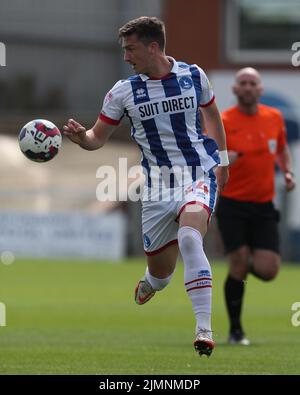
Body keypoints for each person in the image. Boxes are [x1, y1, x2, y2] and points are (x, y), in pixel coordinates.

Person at [63, 16, 229, 356]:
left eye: (131, 49)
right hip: (156, 187)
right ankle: (153, 282)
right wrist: (82, 139)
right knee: (162, 272)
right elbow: (97, 137)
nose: (126, 57)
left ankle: (204, 329)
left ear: (153, 46)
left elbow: (213, 117)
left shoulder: (193, 76)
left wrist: (222, 162)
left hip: (197, 172)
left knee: (189, 236)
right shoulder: (123, 92)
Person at [216, 67, 296, 345]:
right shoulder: (223, 121)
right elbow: (208, 157)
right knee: (238, 263)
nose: (248, 87)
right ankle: (236, 331)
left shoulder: (273, 118)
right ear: (235, 90)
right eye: (243, 83)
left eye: (253, 83)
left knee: (269, 270)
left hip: (263, 205)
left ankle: (242, 262)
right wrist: (225, 160)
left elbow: (282, 148)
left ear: (260, 89)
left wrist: (287, 172)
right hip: (232, 203)